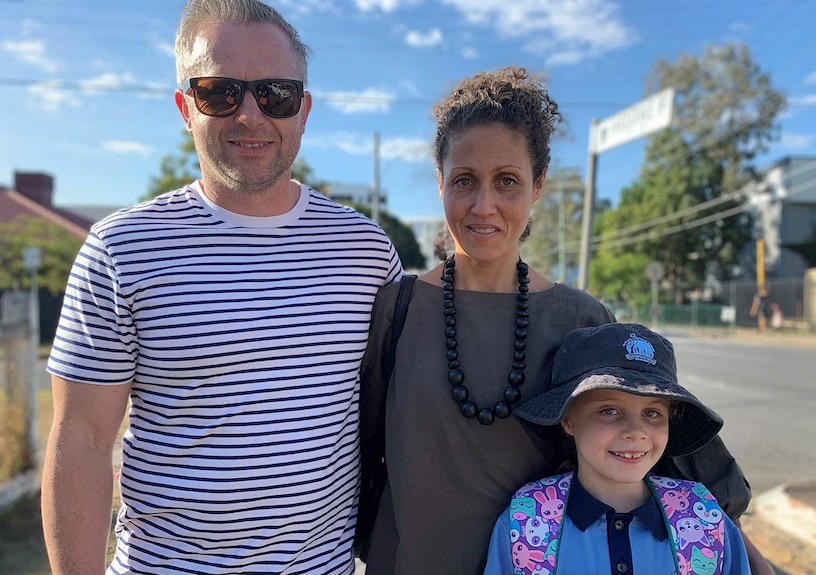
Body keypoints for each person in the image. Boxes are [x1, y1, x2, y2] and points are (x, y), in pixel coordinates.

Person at [358, 67, 770, 575]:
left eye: (507, 181)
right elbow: (355, 452)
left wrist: (754, 560)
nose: (483, 205)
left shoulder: (581, 319)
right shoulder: (394, 311)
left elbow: (671, 464)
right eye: (464, 180)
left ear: (538, 186)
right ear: (440, 181)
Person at [41, 1, 401, 574]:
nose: (251, 115)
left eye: (276, 94)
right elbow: (81, 442)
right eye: (220, 92)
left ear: (303, 111)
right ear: (186, 108)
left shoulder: (365, 250)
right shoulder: (121, 249)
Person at [483, 323, 751, 574]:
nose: (635, 431)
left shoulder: (705, 521)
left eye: (652, 412)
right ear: (567, 419)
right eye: (609, 410)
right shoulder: (526, 521)